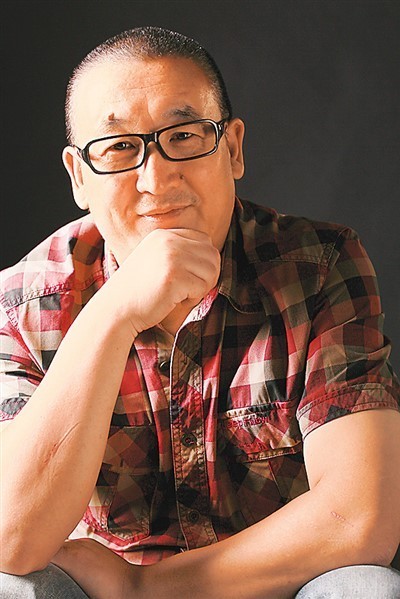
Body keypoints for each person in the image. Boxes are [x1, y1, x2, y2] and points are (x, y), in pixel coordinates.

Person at [0, 26, 399, 599]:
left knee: (368, 587)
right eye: (119, 147)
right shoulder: (24, 300)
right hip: (94, 591)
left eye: (184, 136)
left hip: (267, 585)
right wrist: (114, 312)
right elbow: (10, 537)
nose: (156, 179)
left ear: (233, 149)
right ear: (78, 176)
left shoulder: (317, 267)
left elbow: (360, 518)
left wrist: (142, 589)